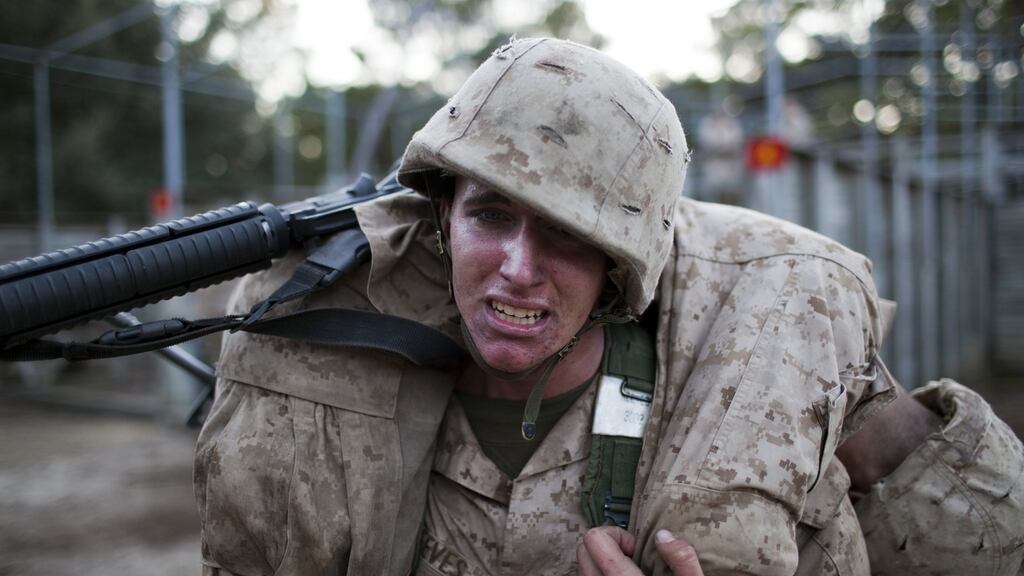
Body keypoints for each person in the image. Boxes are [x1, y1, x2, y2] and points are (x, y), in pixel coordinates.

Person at [194, 37, 1024, 575]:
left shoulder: (751, 377)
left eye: (566, 234)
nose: (518, 269)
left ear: (620, 264)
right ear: (444, 218)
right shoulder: (351, 388)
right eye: (491, 216)